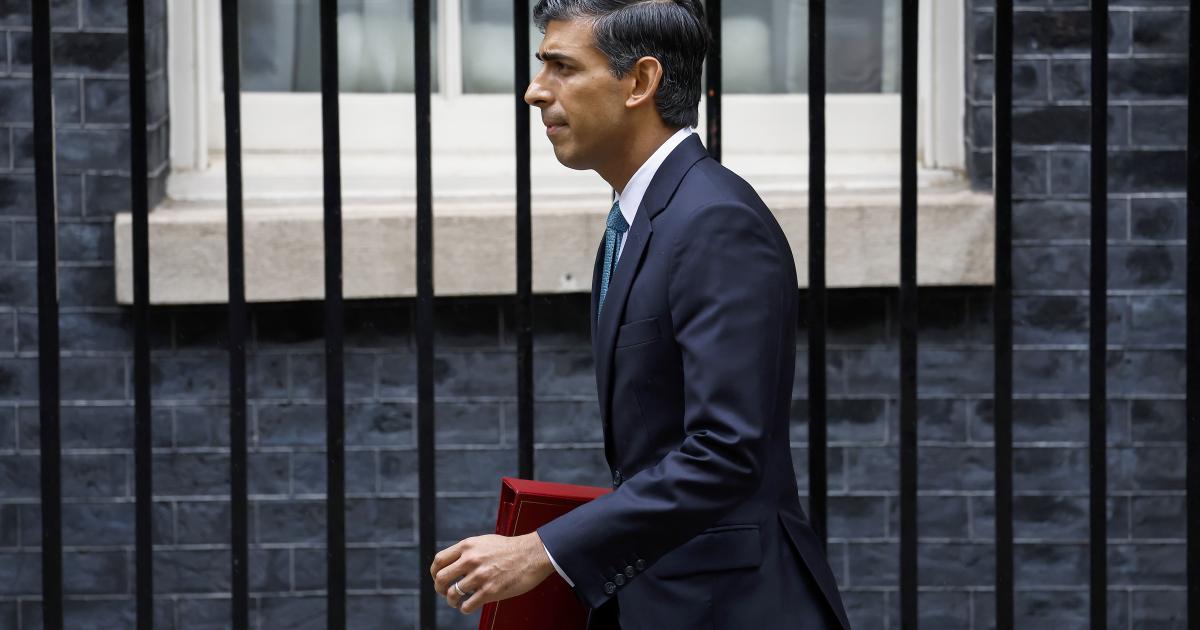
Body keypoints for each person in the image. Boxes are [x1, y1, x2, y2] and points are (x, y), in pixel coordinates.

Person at [430, 1, 850, 627]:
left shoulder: (714, 223)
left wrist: (544, 550)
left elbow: (726, 452)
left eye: (562, 67)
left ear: (640, 82)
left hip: (731, 609)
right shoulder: (644, 215)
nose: (534, 91)